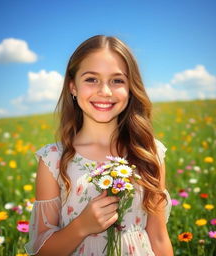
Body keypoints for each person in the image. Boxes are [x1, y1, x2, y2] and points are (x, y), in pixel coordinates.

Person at [25, 35, 174, 256]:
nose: (105, 91)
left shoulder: (149, 152)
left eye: (117, 80)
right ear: (72, 86)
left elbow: (160, 239)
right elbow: (41, 251)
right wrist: (81, 227)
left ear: (131, 88)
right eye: (91, 79)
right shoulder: (53, 160)